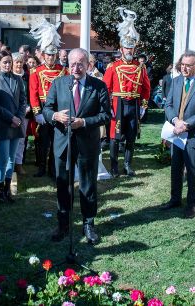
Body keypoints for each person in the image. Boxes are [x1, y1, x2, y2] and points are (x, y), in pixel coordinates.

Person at [43, 48, 110, 245]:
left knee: (88, 185)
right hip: (63, 143)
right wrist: (55, 116)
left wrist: (84, 122)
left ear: (88, 65)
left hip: (87, 143)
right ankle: (63, 224)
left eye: (80, 63)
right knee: (63, 185)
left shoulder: (98, 86)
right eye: (72, 63)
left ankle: (88, 224)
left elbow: (106, 115)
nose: (76, 67)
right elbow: (47, 108)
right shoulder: (58, 83)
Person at [160, 49, 195, 219]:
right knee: (176, 168)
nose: (184, 68)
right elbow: (168, 105)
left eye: (188, 65)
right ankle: (175, 199)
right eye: (182, 65)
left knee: (192, 170)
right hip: (176, 132)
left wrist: (186, 125)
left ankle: (192, 204)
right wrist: (176, 120)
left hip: (194, 135)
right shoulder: (175, 82)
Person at [103, 8, 151, 177]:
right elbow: (105, 89)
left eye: (131, 49)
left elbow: (146, 88)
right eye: (126, 48)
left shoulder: (140, 67)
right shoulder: (113, 67)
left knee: (131, 137)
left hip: (134, 105)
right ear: (121, 49)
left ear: (134, 49)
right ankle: (114, 167)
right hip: (118, 104)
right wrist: (107, 106)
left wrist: (144, 105)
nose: (129, 51)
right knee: (115, 137)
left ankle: (128, 165)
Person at [0, 51, 27, 202]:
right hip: (3, 124)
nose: (7, 65)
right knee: (4, 158)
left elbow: (23, 100)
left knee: (12, 158)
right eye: (4, 62)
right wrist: (11, 118)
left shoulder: (18, 79)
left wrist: (18, 117)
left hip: (16, 123)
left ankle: (7, 189)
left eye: (9, 62)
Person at [29, 43, 68, 178]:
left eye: (53, 55)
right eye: (48, 55)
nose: (51, 57)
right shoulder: (36, 71)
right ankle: (41, 168)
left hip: (58, 107)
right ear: (43, 55)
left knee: (56, 139)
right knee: (42, 141)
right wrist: (37, 113)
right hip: (43, 106)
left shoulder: (63, 71)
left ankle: (53, 168)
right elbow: (33, 94)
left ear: (56, 55)